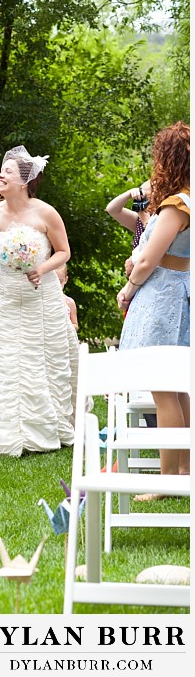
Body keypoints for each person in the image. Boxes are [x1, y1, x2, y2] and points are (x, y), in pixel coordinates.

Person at [0, 147, 78, 456]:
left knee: (44, 356)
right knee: (6, 357)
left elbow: (64, 252)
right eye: (2, 170)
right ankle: (2, 428)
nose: (1, 175)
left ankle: (48, 426)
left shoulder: (45, 212)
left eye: (7, 171)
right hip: (7, 294)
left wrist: (42, 267)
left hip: (43, 294)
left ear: (24, 181)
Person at [116, 121, 190, 494]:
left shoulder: (178, 204)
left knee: (165, 389)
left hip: (162, 297)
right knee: (178, 390)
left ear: (170, 159)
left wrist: (129, 288)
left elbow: (149, 260)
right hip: (176, 291)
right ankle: (182, 473)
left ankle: (166, 482)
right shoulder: (187, 199)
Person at [57, 264, 78, 331]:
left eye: (60, 281)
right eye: (54, 281)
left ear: (65, 280)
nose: (57, 285)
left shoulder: (69, 302)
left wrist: (65, 326)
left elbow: (75, 325)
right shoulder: (43, 301)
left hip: (64, 338)